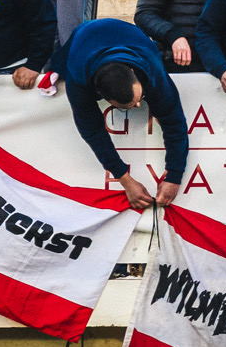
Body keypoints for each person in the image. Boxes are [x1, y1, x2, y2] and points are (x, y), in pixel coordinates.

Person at [56, 17, 191, 207]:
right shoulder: (78, 80)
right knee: (54, 71)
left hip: (133, 37)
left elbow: (174, 122)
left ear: (134, 74)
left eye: (140, 98)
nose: (138, 107)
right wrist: (125, 180)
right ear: (101, 97)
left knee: (165, 105)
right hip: (83, 37)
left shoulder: (152, 70)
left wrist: (174, 176)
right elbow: (93, 132)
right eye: (126, 107)